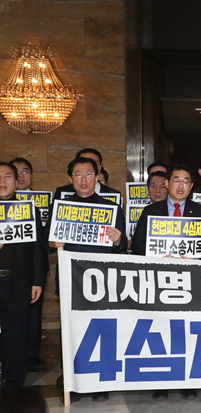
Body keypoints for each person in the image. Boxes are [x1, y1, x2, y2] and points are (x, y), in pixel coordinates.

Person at [132, 164, 201, 401]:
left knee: (187, 330)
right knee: (161, 330)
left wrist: (196, 256)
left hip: (190, 281)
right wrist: (157, 254)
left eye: (186, 181)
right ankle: (162, 381)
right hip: (159, 280)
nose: (181, 185)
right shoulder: (151, 211)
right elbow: (137, 245)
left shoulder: (200, 212)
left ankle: (186, 380)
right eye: (176, 180)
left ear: (192, 186)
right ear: (168, 184)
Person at [48, 157, 126, 402]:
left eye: (89, 174)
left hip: (100, 280)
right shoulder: (60, 207)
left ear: (97, 176)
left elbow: (122, 246)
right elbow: (46, 243)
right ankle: (71, 381)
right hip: (70, 278)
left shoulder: (111, 208)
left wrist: (117, 240)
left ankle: (100, 381)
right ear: (70, 179)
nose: (84, 180)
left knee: (101, 329)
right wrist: (52, 243)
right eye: (78, 175)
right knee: (70, 330)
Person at [0, 163, 47, 390]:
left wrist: (37, 281)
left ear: (15, 180)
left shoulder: (28, 210)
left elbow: (38, 250)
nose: (2, 181)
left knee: (16, 337)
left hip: (17, 282)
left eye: (7, 176)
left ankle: (13, 387)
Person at [10, 158, 44, 372]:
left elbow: (39, 249)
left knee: (27, 319)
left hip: (25, 274)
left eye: (25, 171)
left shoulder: (33, 209)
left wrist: (37, 279)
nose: (20, 175)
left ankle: (27, 358)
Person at [53, 148, 121, 201]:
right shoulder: (62, 192)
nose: (88, 166)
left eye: (94, 163)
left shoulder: (113, 194)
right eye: (83, 161)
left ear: (100, 167)